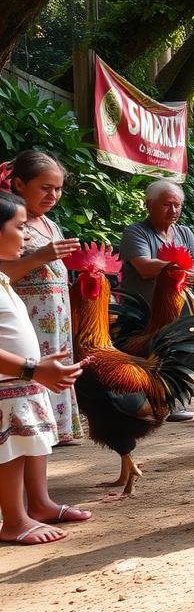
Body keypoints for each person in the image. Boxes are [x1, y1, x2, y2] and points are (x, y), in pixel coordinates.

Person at [0, 191, 90, 546]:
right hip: (12, 379)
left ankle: (35, 506)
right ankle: (14, 519)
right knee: (9, 451)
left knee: (25, 444)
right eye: (20, 227)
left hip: (20, 380)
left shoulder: (3, 279)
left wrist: (34, 370)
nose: (26, 236)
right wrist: (30, 369)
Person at [1, 152, 82, 445]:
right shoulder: (10, 221)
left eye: (58, 188)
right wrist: (40, 256)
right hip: (29, 317)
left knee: (56, 364)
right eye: (45, 187)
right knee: (33, 370)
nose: (53, 195)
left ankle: (56, 430)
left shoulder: (50, 224)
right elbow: (2, 274)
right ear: (20, 184)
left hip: (56, 315)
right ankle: (32, 433)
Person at [118, 179, 194, 305]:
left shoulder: (185, 232)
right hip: (142, 310)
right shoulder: (136, 231)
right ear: (149, 205)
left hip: (179, 307)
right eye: (166, 204)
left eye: (177, 205)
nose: (173, 211)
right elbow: (145, 268)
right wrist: (179, 268)